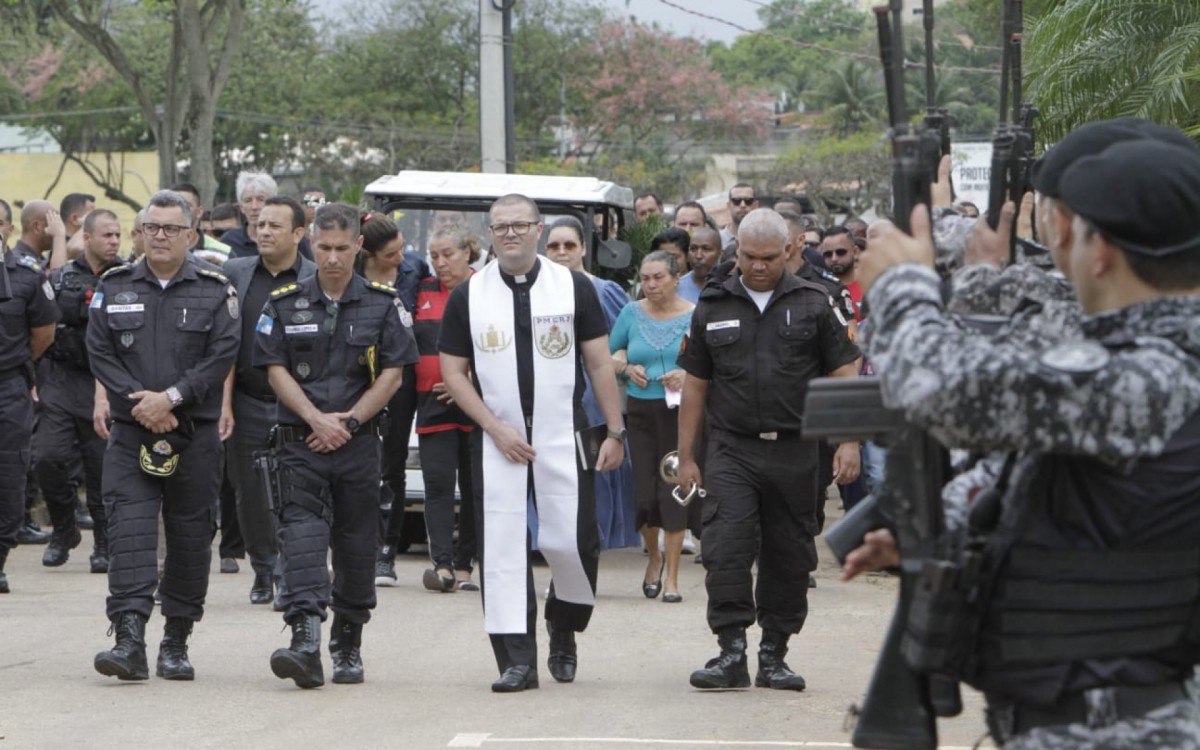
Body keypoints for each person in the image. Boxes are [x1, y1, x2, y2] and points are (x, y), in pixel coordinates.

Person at [847, 136, 1200, 749]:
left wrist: (903, 285)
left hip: (1110, 727)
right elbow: (1079, 504)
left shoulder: (1159, 375)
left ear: (1100, 252)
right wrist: (948, 534)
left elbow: (943, 388)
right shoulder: (1148, 361)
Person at [439, 193, 626, 692]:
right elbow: (453, 374)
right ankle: (516, 660)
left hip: (562, 430)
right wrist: (494, 427)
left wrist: (614, 430)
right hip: (496, 436)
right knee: (501, 545)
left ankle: (563, 626)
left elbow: (599, 363)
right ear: (490, 234)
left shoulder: (574, 287)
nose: (511, 233)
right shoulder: (469, 294)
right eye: (501, 226)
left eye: (520, 225)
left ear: (538, 229)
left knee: (577, 541)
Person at [675, 208, 861, 691]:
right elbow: (695, 386)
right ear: (737, 251)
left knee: (790, 553)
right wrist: (687, 457)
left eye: (769, 258)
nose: (758, 266)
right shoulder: (713, 305)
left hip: (797, 449)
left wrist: (849, 441)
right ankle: (731, 652)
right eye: (749, 257)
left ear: (790, 250)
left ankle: (775, 654)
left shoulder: (815, 302)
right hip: (732, 447)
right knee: (725, 547)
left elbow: (845, 373)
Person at [255, 203, 417, 689]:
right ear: (311, 244)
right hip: (301, 441)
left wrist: (349, 421)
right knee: (302, 539)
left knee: (357, 545)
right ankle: (304, 642)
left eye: (341, 249)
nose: (331, 258)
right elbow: (274, 369)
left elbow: (393, 373)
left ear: (358, 247)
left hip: (358, 444)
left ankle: (348, 641)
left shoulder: (383, 304)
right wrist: (315, 418)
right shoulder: (284, 303)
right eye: (323, 248)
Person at [87, 190, 240, 681]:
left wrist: (171, 399)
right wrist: (144, 404)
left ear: (191, 235)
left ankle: (176, 640)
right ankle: (129, 639)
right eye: (151, 227)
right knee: (129, 531)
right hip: (132, 431)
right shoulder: (113, 286)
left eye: (171, 229)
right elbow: (100, 352)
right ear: (140, 232)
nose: (159, 236)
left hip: (193, 435)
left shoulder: (216, 289)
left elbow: (221, 355)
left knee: (190, 536)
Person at [223, 196, 316, 605]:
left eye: (274, 226)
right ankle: (263, 568)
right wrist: (224, 404)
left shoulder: (316, 276)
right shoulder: (235, 273)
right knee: (250, 492)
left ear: (298, 233)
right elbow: (224, 344)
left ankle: (289, 570)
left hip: (301, 405)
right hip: (247, 400)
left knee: (296, 489)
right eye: (260, 224)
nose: (264, 232)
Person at [34, 208, 124, 573]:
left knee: (101, 467)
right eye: (107, 235)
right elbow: (38, 324)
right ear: (86, 239)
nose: (114, 241)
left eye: (118, 235)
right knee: (47, 458)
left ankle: (104, 542)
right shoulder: (60, 278)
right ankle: (64, 528)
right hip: (62, 377)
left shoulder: (129, 278)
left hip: (108, 382)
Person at [545, 216, 638, 551]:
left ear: (584, 248)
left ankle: (592, 542)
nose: (561, 252)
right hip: (551, 399)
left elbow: (629, 338)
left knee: (594, 471)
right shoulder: (538, 292)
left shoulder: (604, 291)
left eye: (569, 245)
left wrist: (620, 356)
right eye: (554, 246)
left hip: (595, 397)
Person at [610, 250, 694, 602]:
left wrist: (687, 374)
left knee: (673, 488)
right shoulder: (630, 313)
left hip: (681, 414)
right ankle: (654, 557)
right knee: (644, 492)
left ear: (676, 278)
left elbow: (711, 363)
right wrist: (627, 367)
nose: (651, 284)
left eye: (659, 277)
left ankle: (672, 577)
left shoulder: (695, 315)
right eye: (645, 278)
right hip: (641, 412)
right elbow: (610, 354)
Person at [353, 213, 429, 587]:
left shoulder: (415, 270)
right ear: (367, 253)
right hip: (356, 376)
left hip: (401, 376)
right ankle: (353, 549)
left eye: (401, 249)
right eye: (390, 254)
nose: (399, 258)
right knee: (355, 463)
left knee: (393, 464)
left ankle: (387, 551)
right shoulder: (351, 276)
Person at [413, 226, 479, 592]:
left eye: (448, 254)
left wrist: (465, 383)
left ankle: (466, 565)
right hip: (432, 403)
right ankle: (442, 566)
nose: (440, 263)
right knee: (437, 485)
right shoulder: (421, 290)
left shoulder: (485, 289)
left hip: (477, 405)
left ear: (468, 252)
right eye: (434, 256)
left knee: (473, 487)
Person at [0, 233, 60, 592]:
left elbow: (44, 334)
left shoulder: (26, 276)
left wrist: (18, 368)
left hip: (8, 385)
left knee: (9, 473)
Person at [678, 226, 721, 303]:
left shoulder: (730, 287)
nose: (698, 256)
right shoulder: (676, 288)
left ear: (719, 253)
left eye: (706, 249)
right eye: (693, 249)